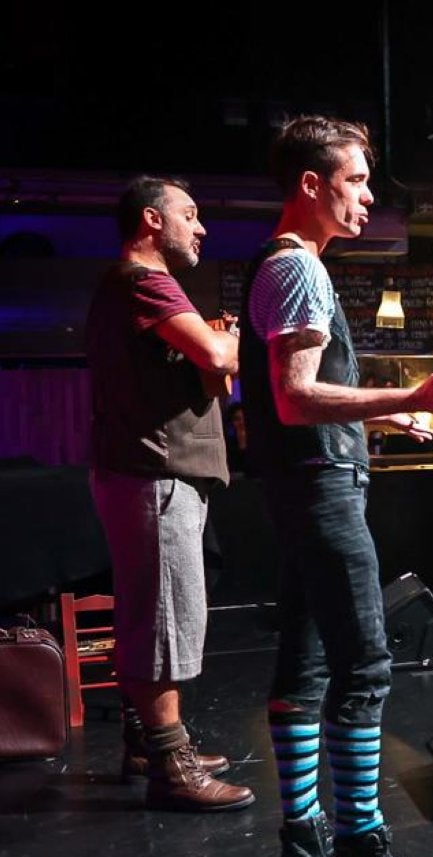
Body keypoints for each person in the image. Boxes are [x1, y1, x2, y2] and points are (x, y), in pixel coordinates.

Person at [242, 116, 433, 857]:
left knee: (305, 667)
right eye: (354, 181)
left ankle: (304, 842)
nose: (366, 197)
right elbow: (295, 397)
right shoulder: (300, 269)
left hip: (302, 489)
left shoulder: (281, 262)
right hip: (322, 491)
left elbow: (292, 400)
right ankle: (361, 850)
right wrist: (406, 395)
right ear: (311, 184)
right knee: (364, 671)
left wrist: (390, 414)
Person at [84, 176, 250, 810]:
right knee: (165, 624)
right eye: (190, 214)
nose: (201, 227)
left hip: (141, 472)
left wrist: (210, 348)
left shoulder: (129, 286)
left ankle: (145, 744)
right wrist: (228, 341)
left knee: (149, 614)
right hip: (157, 474)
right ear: (152, 220)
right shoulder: (144, 281)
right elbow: (218, 357)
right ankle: (172, 767)